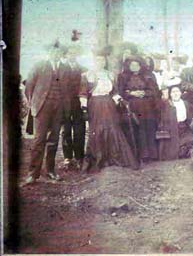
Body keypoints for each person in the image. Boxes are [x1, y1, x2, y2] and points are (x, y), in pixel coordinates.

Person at [80, 47, 139, 172]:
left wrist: (121, 101)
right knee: (97, 130)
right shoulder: (87, 75)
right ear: (94, 61)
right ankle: (98, 160)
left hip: (109, 104)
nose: (100, 62)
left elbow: (114, 92)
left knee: (113, 129)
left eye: (102, 60)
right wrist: (84, 109)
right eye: (98, 60)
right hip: (95, 105)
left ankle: (114, 157)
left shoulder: (110, 75)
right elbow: (83, 93)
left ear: (105, 61)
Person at [23, 40, 71, 184]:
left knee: (54, 140)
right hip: (43, 107)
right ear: (49, 52)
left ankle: (50, 171)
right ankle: (33, 173)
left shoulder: (65, 68)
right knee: (39, 140)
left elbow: (68, 89)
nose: (56, 54)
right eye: (53, 51)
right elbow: (29, 86)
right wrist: (34, 104)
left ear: (62, 54)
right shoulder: (39, 65)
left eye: (59, 52)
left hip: (59, 108)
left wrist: (65, 108)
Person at [118, 55, 160, 162]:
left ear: (140, 66)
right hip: (133, 107)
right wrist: (132, 93)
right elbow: (121, 92)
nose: (134, 67)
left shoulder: (147, 76)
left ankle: (152, 154)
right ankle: (141, 155)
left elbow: (154, 91)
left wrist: (144, 93)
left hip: (147, 106)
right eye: (132, 65)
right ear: (129, 66)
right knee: (138, 129)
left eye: (137, 65)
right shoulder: (123, 77)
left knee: (149, 128)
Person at [158, 85, 193, 160]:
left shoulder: (186, 104)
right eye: (173, 92)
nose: (175, 94)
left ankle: (187, 151)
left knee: (189, 141)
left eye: (177, 91)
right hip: (172, 130)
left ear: (181, 93)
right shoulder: (167, 104)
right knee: (173, 153)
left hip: (185, 128)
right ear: (170, 94)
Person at [62, 44, 87, 169]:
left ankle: (79, 157)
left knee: (79, 131)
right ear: (66, 55)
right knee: (66, 131)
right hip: (65, 105)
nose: (72, 55)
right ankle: (67, 157)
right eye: (70, 53)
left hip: (78, 104)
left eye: (74, 53)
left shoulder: (83, 69)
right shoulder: (60, 69)